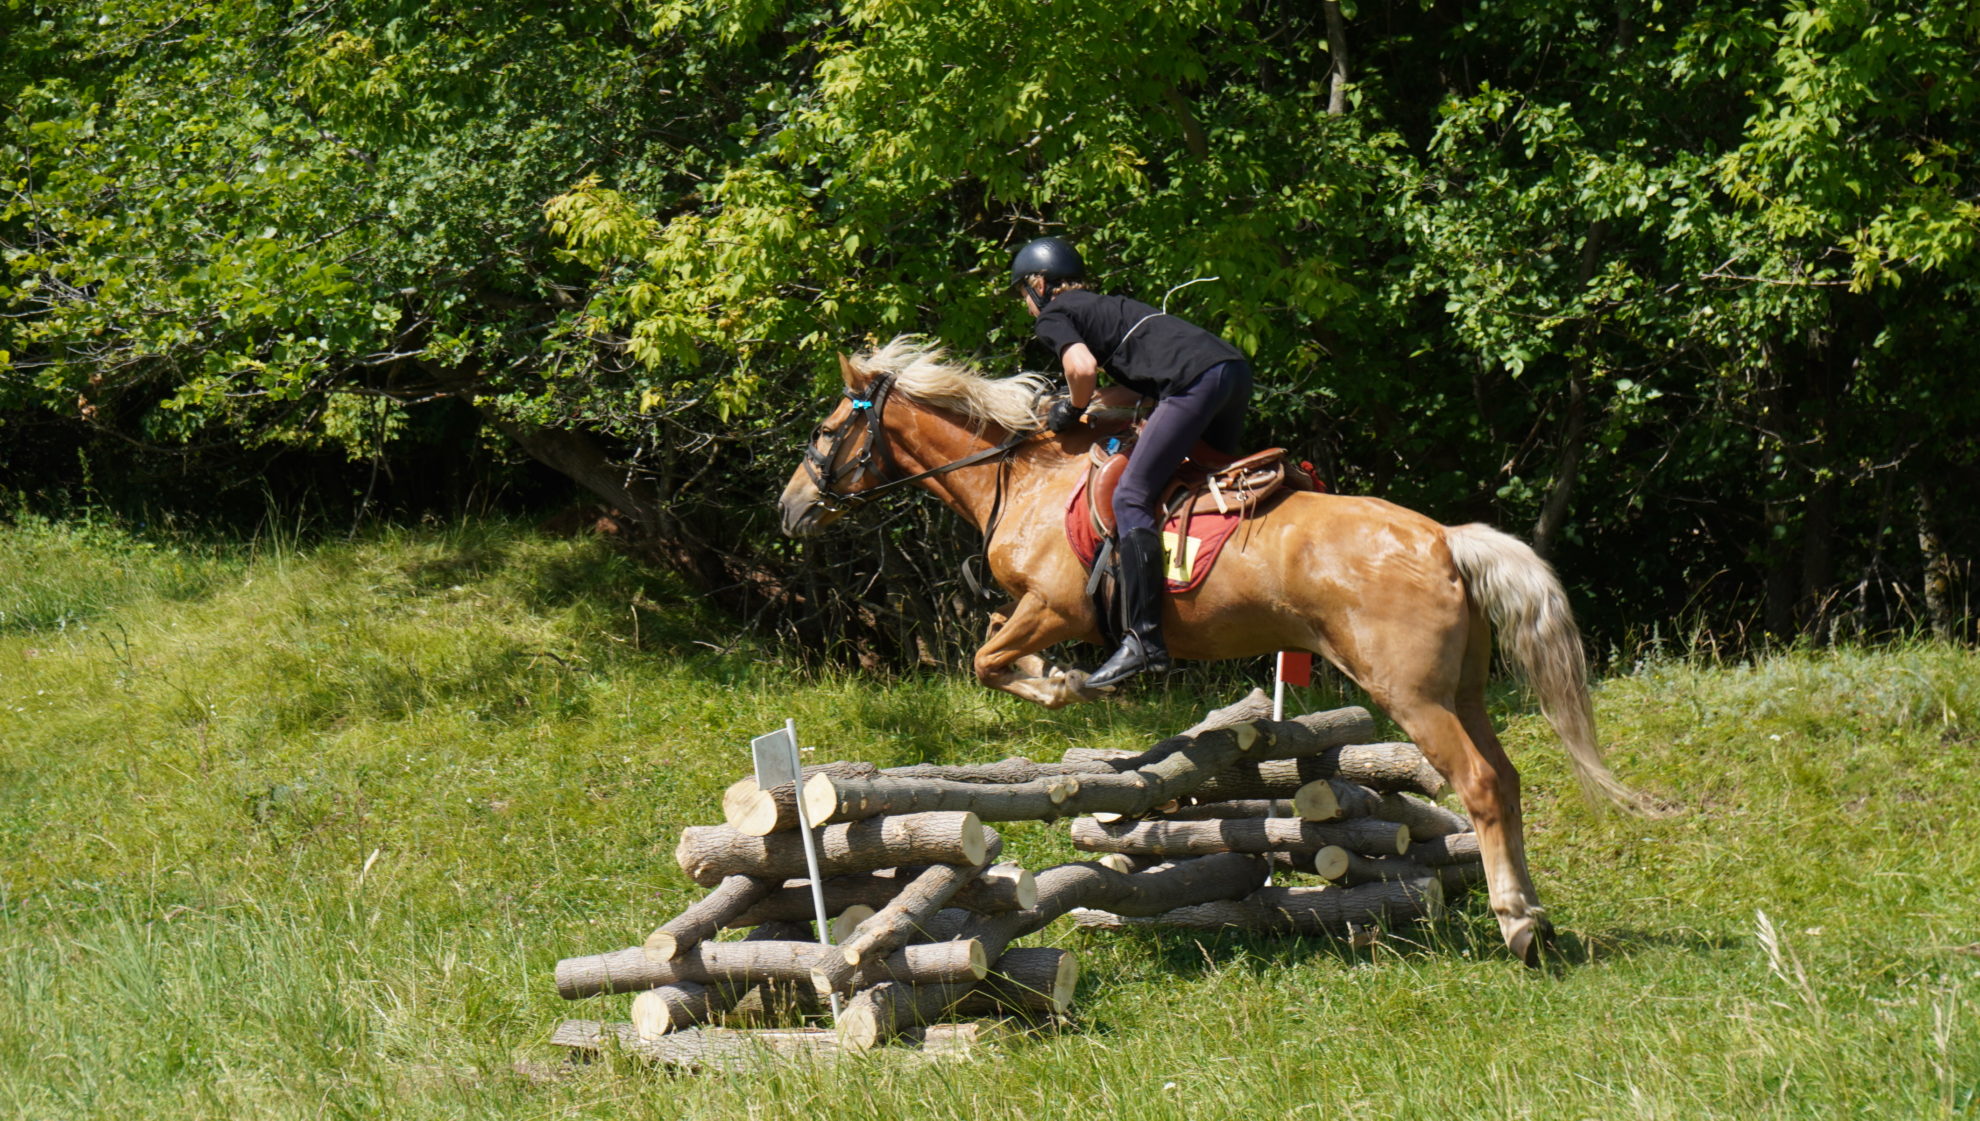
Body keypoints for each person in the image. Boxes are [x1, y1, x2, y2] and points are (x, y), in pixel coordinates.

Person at [1010, 236, 1253, 690]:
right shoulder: (1109, 307)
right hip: (1231, 372)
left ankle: (1143, 639)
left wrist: (1074, 409)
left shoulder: (1055, 315)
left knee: (1131, 496)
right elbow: (1133, 391)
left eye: (1023, 293)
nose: (1026, 305)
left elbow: (1080, 369)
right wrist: (1084, 402)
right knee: (1208, 483)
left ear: (1039, 284)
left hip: (1193, 383)